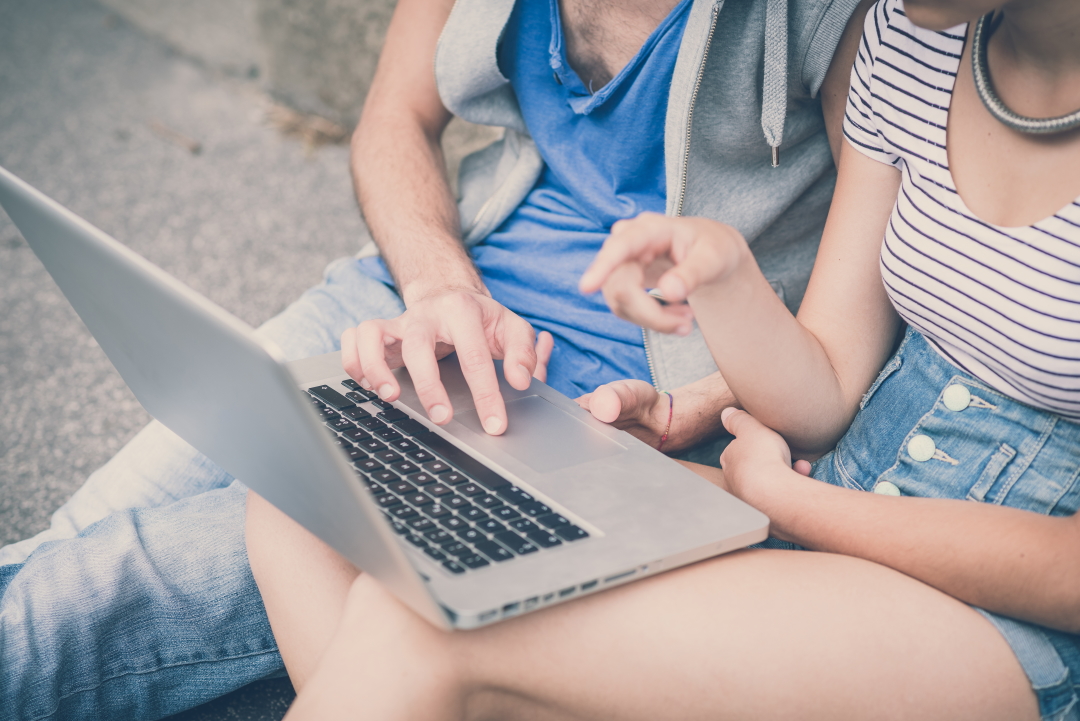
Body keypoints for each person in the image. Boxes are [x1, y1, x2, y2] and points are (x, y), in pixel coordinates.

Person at [0, 0, 869, 718]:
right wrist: (440, 287)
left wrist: (694, 415)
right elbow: (393, 120)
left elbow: (871, 322)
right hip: (409, 300)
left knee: (74, 609)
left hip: (587, 404)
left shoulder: (837, 20)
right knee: (57, 543)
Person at [249, 0, 1080, 718]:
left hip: (998, 621)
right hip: (833, 497)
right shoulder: (914, 42)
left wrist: (791, 501)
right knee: (305, 482)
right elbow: (824, 392)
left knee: (425, 631)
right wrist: (720, 272)